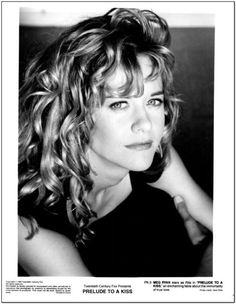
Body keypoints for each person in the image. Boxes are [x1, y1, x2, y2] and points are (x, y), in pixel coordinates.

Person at [18, 7, 213, 276]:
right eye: (120, 104)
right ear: (75, 114)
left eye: (153, 101)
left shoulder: (153, 157)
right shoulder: (27, 226)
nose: (145, 124)